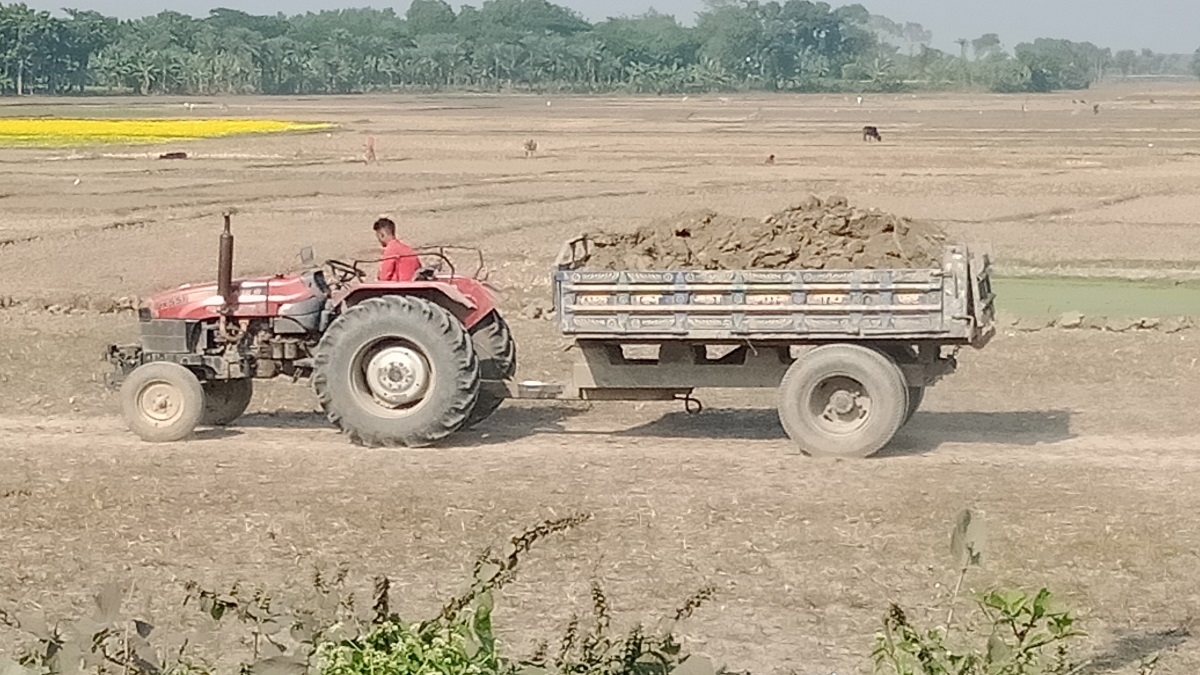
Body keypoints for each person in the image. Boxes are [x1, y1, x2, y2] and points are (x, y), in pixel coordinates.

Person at [373, 217, 420, 282]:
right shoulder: (407, 249)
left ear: (381, 235)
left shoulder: (391, 250)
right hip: (413, 285)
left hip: (399, 287)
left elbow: (384, 277)